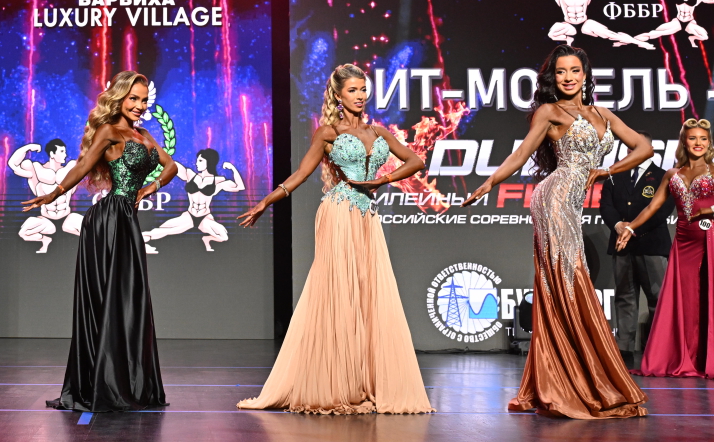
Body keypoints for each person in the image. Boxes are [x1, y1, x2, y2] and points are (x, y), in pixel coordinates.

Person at [464, 44, 649, 418]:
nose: (568, 77)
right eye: (560, 71)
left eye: (574, 70)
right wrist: (491, 182)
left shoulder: (601, 113)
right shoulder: (549, 112)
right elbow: (521, 154)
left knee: (570, 279)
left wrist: (607, 171)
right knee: (568, 278)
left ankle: (575, 371)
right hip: (553, 198)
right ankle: (572, 376)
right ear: (553, 77)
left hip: (573, 202)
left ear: (585, 75)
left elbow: (643, 147)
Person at [236, 63, 432, 414]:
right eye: (352, 90)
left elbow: (415, 161)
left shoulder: (379, 132)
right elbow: (301, 173)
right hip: (339, 213)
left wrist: (381, 181)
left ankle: (363, 381)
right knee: (339, 292)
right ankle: (335, 382)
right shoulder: (328, 133)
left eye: (363, 89)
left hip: (367, 217)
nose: (360, 95)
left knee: (368, 295)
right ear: (338, 96)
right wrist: (267, 201)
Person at [22, 70, 177, 411]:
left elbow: (171, 167)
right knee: (109, 298)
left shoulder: (144, 135)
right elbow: (82, 167)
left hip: (126, 219)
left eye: (143, 100)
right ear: (119, 98)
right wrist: (53, 194)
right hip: (107, 221)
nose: (139, 105)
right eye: (133, 98)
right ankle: (104, 383)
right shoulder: (109, 131)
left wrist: (149, 189)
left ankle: (127, 382)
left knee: (130, 298)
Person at [616, 118, 714, 377]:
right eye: (693, 138)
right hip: (684, 243)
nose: (698, 143)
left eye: (703, 139)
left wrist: (709, 210)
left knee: (710, 296)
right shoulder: (672, 175)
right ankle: (686, 356)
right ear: (684, 142)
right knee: (686, 301)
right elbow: (653, 206)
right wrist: (630, 228)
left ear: (709, 143)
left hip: (710, 239)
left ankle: (709, 358)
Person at [598, 133, 672, 367]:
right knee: (625, 297)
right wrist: (618, 226)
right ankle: (624, 348)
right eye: (629, 148)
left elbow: (662, 211)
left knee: (657, 298)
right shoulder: (614, 176)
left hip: (651, 245)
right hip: (621, 246)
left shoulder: (663, 176)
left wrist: (633, 229)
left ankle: (658, 349)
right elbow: (605, 206)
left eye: (636, 147)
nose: (631, 151)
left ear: (649, 149)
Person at [142, 148, 243, 253]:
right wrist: (163, 155)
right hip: (189, 215)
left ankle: (207, 239)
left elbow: (239, 187)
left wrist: (232, 168)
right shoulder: (190, 174)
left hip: (205, 217)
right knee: (166, 230)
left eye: (200, 160)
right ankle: (141, 244)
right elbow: (173, 165)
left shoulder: (218, 180)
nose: (196, 163)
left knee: (224, 236)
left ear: (209, 161)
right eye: (197, 160)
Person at [9, 140, 82, 253]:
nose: (65, 155)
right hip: (46, 220)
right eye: (62, 151)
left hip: (67, 217)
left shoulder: (70, 168)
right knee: (23, 232)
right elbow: (13, 165)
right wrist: (28, 147)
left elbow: (90, 162)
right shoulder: (36, 169)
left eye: (65, 151)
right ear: (52, 154)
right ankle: (45, 240)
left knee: (94, 233)